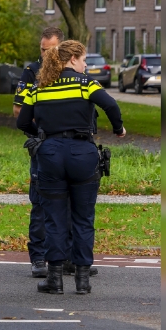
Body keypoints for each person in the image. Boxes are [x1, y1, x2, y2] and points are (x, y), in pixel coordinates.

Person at [17, 40, 126, 294]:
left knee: (54, 219)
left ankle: (54, 280)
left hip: (51, 154)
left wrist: (43, 134)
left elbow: (23, 121)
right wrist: (118, 128)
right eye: (84, 59)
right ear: (73, 59)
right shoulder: (86, 83)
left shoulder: (39, 86)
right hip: (82, 153)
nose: (86, 64)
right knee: (83, 219)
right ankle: (82, 280)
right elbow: (110, 105)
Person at [14, 27, 98, 278]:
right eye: (41, 49)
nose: (44, 54)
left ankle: (70, 258)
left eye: (49, 49)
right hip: (46, 146)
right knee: (42, 204)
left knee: (75, 203)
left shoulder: (78, 73)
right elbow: (19, 112)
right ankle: (39, 257)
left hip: (76, 146)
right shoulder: (32, 72)